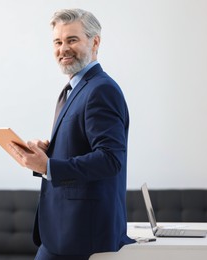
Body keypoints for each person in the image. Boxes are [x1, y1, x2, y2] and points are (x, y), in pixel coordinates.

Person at [8, 8, 135, 260]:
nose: (63, 48)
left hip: (83, 236)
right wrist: (47, 153)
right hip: (63, 231)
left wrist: (49, 166)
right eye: (58, 41)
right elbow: (82, 147)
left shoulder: (101, 90)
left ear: (95, 41)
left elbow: (111, 159)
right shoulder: (76, 88)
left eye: (72, 40)